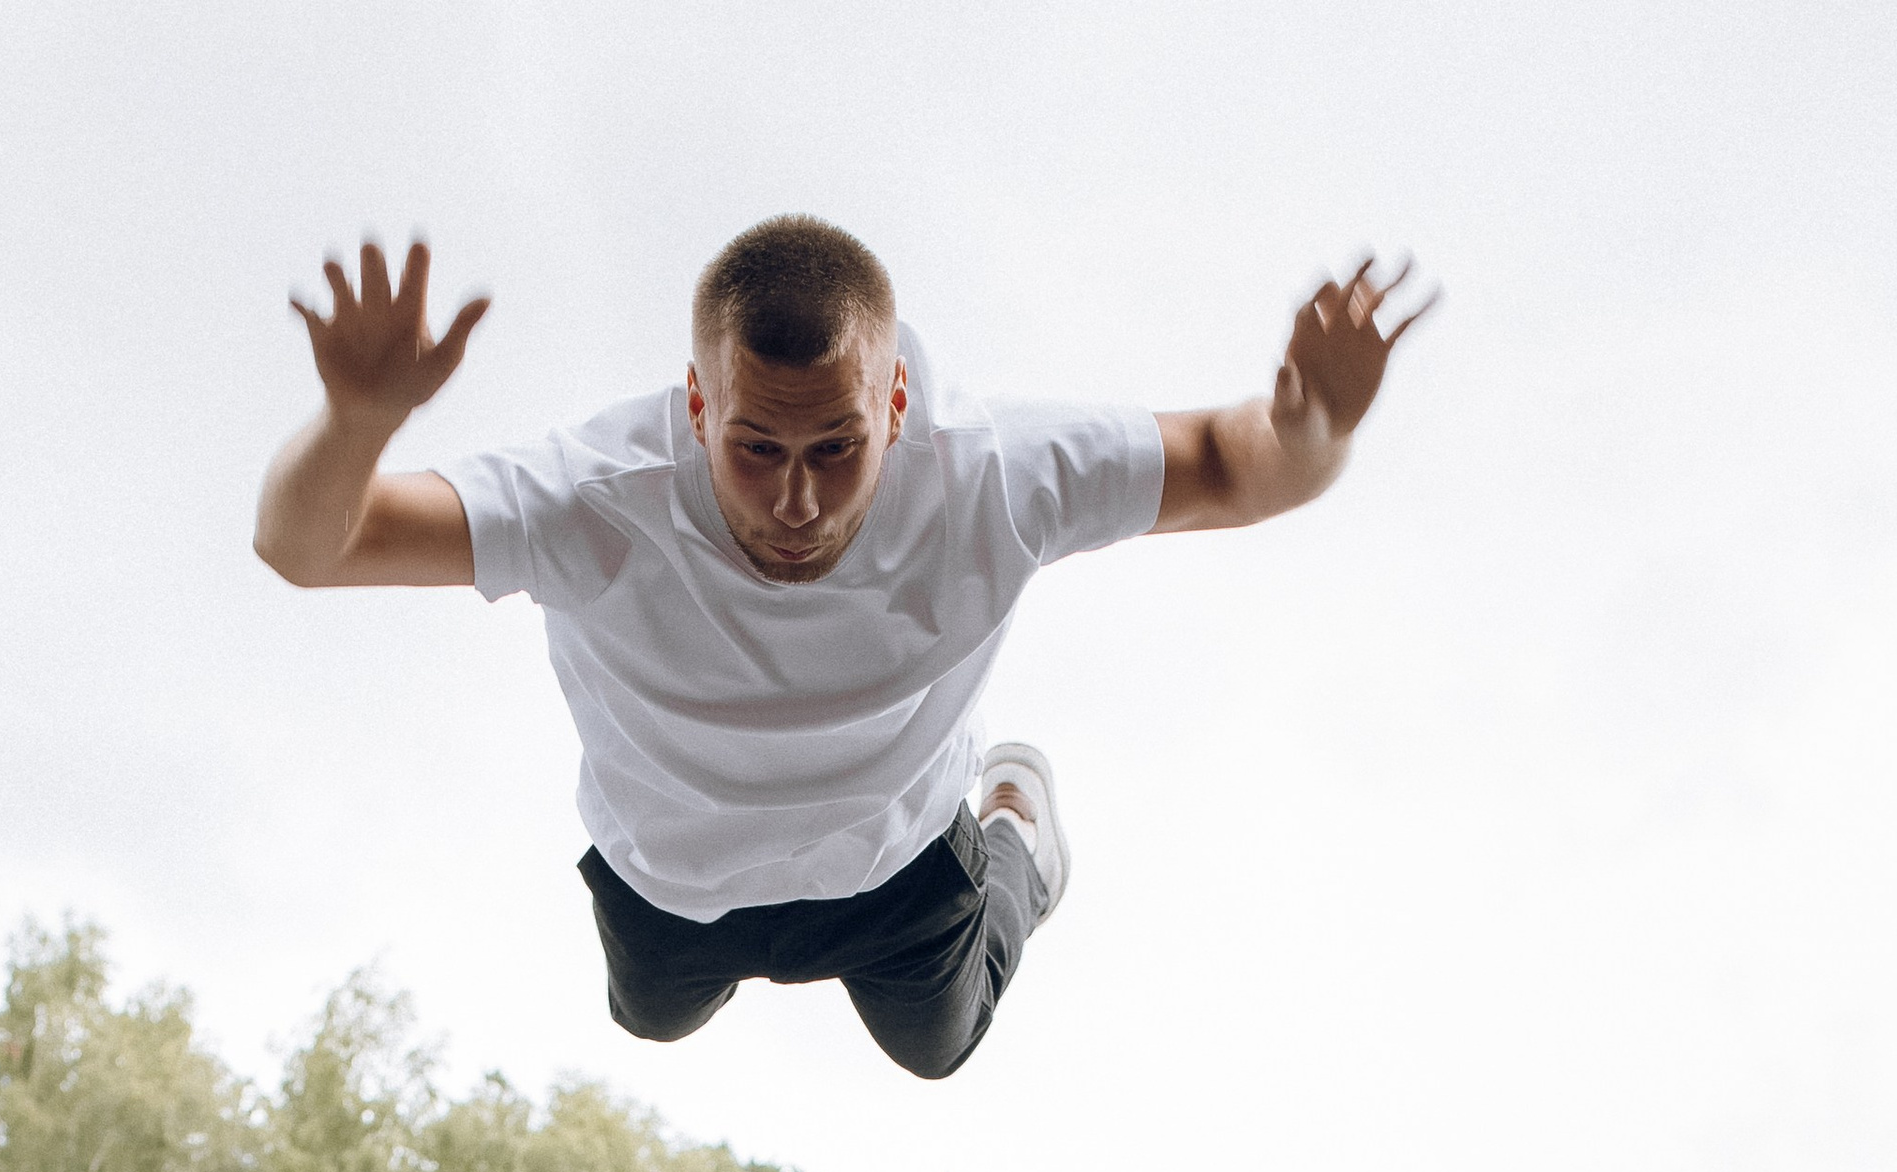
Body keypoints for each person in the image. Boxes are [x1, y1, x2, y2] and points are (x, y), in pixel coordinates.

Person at [254, 218, 1429, 1079]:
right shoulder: (593, 497)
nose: (797, 501)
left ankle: (1016, 833)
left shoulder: (993, 473)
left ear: (897, 405)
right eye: (756, 450)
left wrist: (1313, 426)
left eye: (836, 449)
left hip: (895, 861)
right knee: (649, 1021)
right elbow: (307, 548)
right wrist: (359, 421)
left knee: (938, 1048)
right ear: (698, 408)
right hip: (672, 878)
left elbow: (1235, 469)